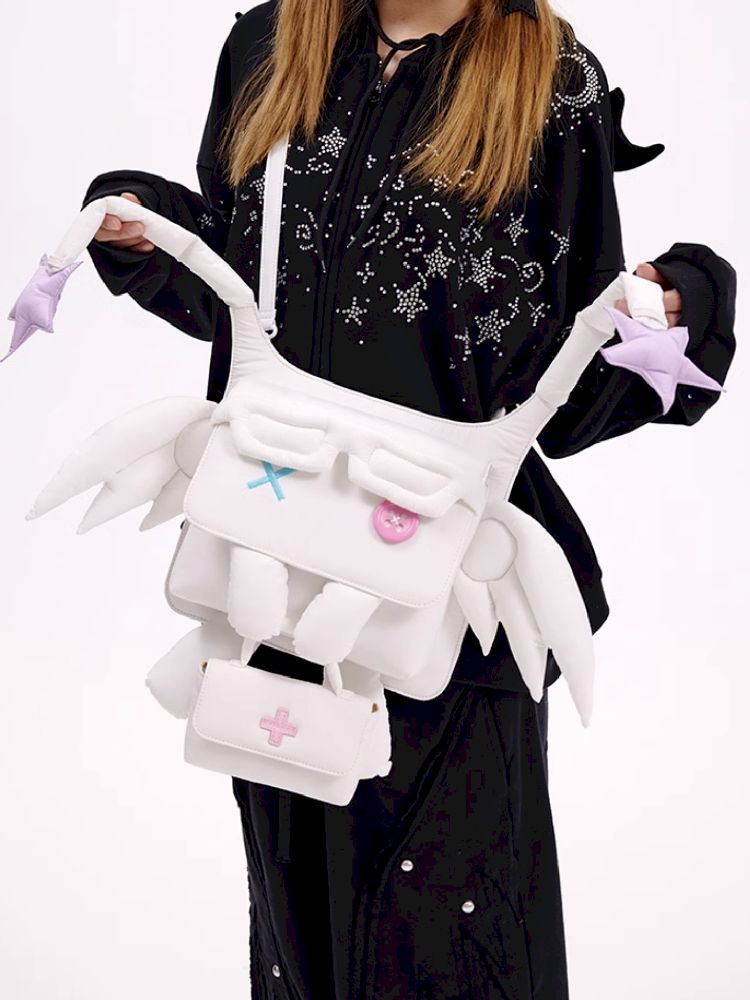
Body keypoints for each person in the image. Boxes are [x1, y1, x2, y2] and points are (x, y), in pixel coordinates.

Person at [80, 1, 737, 996]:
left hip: (449, 601)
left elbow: (564, 378)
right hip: (278, 578)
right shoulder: (270, 44)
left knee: (457, 946)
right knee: (302, 937)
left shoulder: (552, 86)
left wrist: (686, 302)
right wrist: (144, 230)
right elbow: (244, 290)